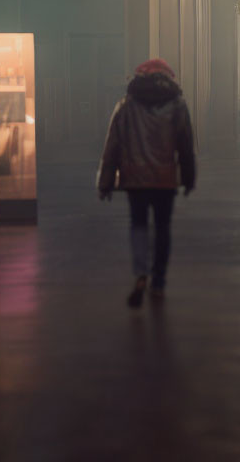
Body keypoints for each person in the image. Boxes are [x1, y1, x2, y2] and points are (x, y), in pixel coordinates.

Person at [97, 58, 196, 308]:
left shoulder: (126, 105)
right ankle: (159, 282)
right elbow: (185, 145)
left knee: (138, 225)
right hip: (165, 179)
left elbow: (112, 147)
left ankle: (141, 272)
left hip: (135, 179)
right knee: (162, 228)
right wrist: (188, 176)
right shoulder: (177, 105)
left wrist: (106, 182)